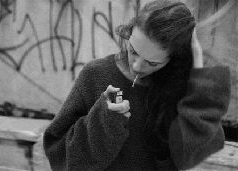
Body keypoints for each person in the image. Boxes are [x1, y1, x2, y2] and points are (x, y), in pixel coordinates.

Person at [43, 0, 231, 170]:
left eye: (152, 63)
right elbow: (58, 156)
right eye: (133, 51)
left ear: (172, 60)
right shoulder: (95, 75)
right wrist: (104, 119)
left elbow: (195, 152)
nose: (136, 66)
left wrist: (198, 66)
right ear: (129, 32)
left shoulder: (177, 88)